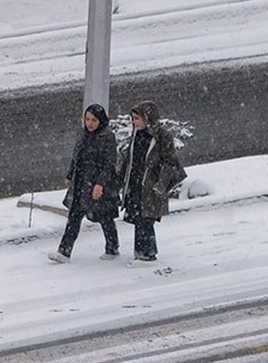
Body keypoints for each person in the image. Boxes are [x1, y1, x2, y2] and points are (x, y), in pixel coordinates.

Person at [48, 104, 120, 263]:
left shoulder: (107, 137)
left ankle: (112, 247)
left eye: (94, 120)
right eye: (87, 119)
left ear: (101, 120)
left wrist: (100, 184)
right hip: (81, 183)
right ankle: (64, 252)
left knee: (104, 217)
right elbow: (76, 156)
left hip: (97, 184)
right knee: (74, 217)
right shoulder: (83, 134)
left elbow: (110, 164)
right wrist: (70, 175)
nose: (90, 123)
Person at [120, 100, 184, 263]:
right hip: (136, 184)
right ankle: (141, 252)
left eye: (137, 119)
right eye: (133, 119)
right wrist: (121, 178)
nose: (134, 122)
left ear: (148, 118)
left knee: (146, 219)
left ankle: (147, 253)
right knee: (139, 218)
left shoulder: (161, 136)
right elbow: (130, 160)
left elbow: (169, 162)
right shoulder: (136, 136)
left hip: (151, 185)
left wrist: (161, 184)